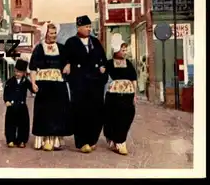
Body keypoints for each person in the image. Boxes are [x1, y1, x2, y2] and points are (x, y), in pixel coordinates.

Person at [63, 15, 108, 153]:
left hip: (95, 83)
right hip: (79, 83)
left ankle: (92, 139)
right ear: (79, 27)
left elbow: (103, 60)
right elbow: (65, 59)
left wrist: (103, 69)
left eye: (90, 27)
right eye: (86, 27)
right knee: (80, 112)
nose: (89, 29)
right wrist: (68, 64)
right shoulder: (71, 42)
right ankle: (82, 142)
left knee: (97, 111)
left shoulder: (95, 42)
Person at [29, 22, 72, 151]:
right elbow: (32, 68)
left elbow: (69, 61)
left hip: (58, 83)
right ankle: (45, 140)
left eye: (54, 33)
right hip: (43, 84)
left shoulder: (62, 48)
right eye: (51, 33)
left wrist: (68, 65)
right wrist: (33, 83)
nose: (53, 36)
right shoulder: (38, 48)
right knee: (44, 111)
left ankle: (55, 141)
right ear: (45, 34)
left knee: (58, 111)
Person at [104, 39, 138, 155]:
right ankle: (118, 142)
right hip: (113, 95)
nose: (125, 52)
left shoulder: (128, 63)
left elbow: (134, 79)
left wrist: (135, 94)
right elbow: (101, 76)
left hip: (128, 94)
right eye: (122, 50)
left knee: (128, 116)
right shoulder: (108, 63)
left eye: (125, 50)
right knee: (114, 117)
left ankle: (120, 140)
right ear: (116, 50)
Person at [3, 59, 31, 148]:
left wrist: (35, 88)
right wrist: (6, 100)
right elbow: (6, 92)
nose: (17, 74)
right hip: (11, 106)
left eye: (19, 72)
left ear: (23, 73)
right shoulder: (10, 81)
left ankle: (22, 140)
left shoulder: (26, 81)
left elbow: (32, 88)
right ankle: (10, 140)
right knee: (10, 123)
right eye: (15, 71)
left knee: (23, 124)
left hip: (22, 106)